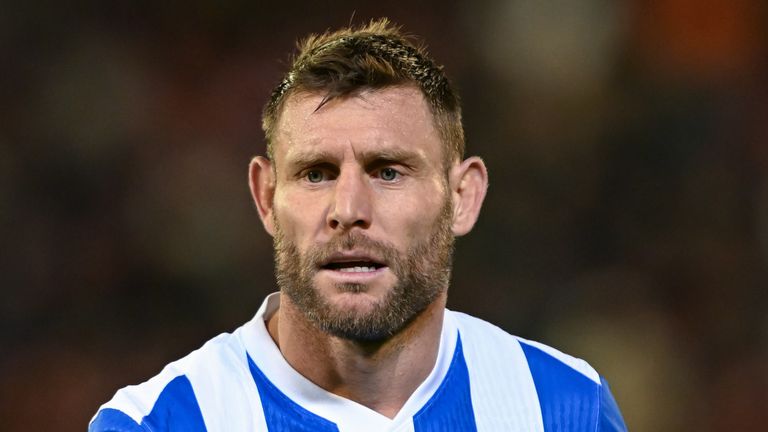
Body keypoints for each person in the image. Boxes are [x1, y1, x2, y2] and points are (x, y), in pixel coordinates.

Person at [89, 18, 627, 432]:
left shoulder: (564, 407)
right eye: (316, 174)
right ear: (267, 197)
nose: (348, 208)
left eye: (388, 171)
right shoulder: (161, 422)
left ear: (463, 197)